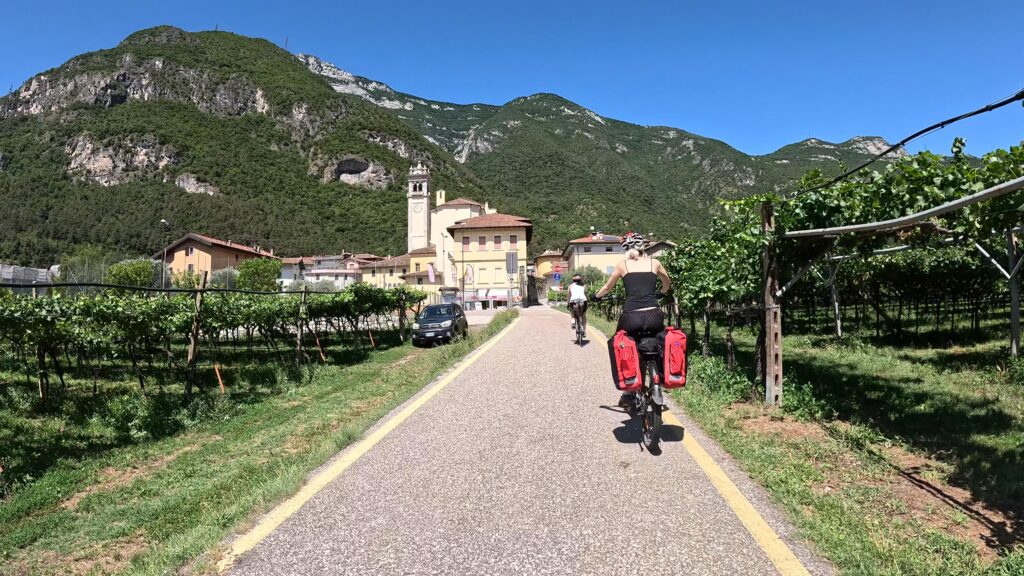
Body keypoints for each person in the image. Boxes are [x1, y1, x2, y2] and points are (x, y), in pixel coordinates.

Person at [594, 232, 672, 406]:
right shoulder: (655, 263)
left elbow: (607, 287)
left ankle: (629, 391)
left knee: (621, 342)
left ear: (625, 249)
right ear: (642, 246)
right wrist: (662, 293)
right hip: (654, 315)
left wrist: (596, 296)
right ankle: (660, 374)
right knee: (660, 341)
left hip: (631, 316)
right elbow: (667, 281)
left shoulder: (622, 265)